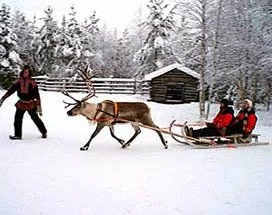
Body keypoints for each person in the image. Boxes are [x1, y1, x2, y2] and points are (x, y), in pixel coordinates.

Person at [0, 65, 47, 140]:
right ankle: (18, 135)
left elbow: (37, 95)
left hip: (30, 104)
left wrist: (39, 106)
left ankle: (44, 132)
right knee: (17, 119)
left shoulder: (32, 83)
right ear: (22, 72)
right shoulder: (18, 82)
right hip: (21, 103)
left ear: (29, 73)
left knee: (35, 118)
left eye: (27, 72)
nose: (26, 73)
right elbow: (11, 91)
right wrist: (3, 98)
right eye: (25, 72)